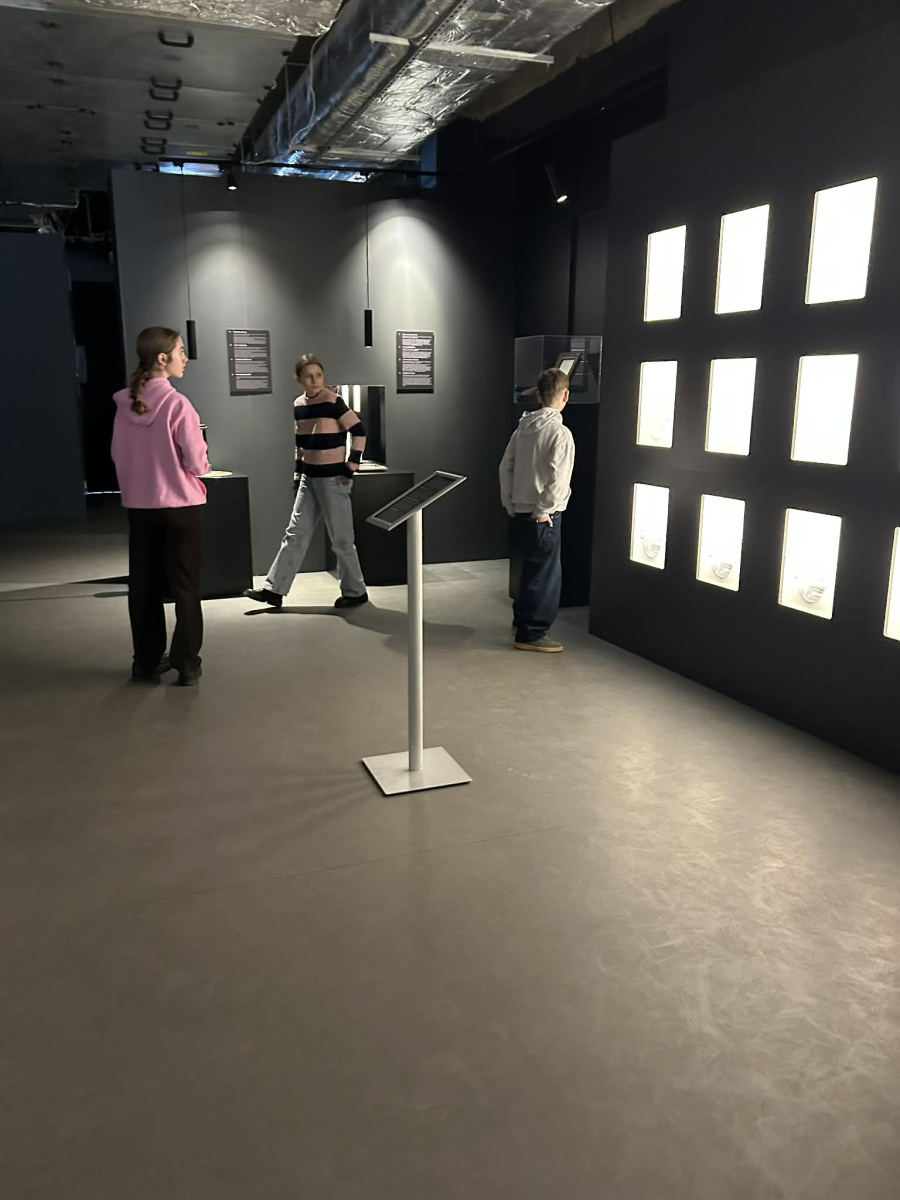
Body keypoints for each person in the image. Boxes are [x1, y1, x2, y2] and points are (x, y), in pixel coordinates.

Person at [111, 326, 209, 686]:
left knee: (143, 585)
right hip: (181, 507)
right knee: (185, 585)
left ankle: (145, 661)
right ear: (163, 358)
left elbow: (117, 455)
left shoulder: (124, 406)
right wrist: (202, 468)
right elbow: (196, 460)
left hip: (140, 508)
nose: (186, 358)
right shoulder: (177, 404)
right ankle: (187, 663)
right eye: (181, 351)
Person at [244, 354, 369, 610]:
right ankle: (274, 590)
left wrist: (351, 466)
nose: (315, 380)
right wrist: (297, 479)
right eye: (309, 376)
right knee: (295, 534)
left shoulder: (334, 401)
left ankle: (356, 591)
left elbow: (359, 431)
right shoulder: (299, 404)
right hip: (308, 479)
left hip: (333, 479)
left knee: (342, 540)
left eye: (319, 375)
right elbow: (300, 446)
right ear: (299, 379)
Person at [499, 367, 575, 653]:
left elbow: (505, 467)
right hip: (544, 515)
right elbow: (559, 479)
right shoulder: (560, 433)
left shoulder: (522, 429)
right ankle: (531, 632)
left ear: (539, 395)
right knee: (544, 574)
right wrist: (544, 510)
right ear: (565, 396)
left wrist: (510, 502)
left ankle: (522, 623)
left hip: (520, 509)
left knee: (528, 571)